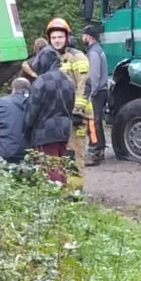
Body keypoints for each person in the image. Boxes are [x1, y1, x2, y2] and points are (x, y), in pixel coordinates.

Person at [46, 17, 93, 189]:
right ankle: (65, 190)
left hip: (76, 118)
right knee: (60, 155)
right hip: (59, 116)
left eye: (60, 37)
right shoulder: (52, 57)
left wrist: (77, 112)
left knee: (75, 155)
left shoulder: (77, 57)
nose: (57, 40)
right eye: (54, 38)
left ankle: (76, 194)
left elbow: (84, 84)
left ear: (67, 37)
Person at [23, 46, 75, 184]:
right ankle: (65, 197)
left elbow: (32, 110)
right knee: (60, 165)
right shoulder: (68, 80)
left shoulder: (41, 81)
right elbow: (71, 106)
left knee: (50, 169)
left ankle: (56, 199)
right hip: (64, 129)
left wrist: (26, 130)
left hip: (44, 132)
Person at [82, 23, 108, 165]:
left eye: (83, 35)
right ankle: (100, 150)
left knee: (93, 123)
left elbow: (94, 75)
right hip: (101, 91)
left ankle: (94, 153)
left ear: (88, 36)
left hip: (96, 93)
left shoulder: (93, 53)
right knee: (97, 122)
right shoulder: (98, 50)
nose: (82, 37)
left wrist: (90, 94)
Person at [0, 77, 31, 164]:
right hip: (30, 153)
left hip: (5, 152)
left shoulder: (0, 103)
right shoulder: (35, 104)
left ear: (13, 89)